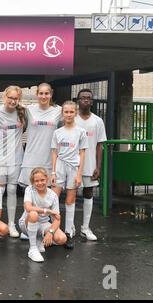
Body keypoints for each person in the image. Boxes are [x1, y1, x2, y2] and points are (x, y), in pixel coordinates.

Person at [51, 101, 88, 249]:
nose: (68, 114)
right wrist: (53, 172)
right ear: (62, 113)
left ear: (75, 113)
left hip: (74, 168)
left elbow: (82, 153)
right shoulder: (57, 132)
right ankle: (53, 230)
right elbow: (54, 153)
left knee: (70, 201)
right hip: (60, 166)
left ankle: (68, 233)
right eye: (66, 112)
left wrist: (79, 174)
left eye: (71, 112)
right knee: (53, 199)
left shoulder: (81, 132)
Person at [0, 85, 25, 238]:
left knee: (12, 191)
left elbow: (24, 129)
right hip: (0, 159)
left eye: (16, 98)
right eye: (10, 98)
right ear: (4, 97)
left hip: (16, 158)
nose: (13, 101)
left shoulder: (22, 112)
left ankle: (11, 224)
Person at [75, 89, 107, 241]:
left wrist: (98, 166)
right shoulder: (71, 118)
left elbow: (99, 145)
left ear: (92, 102)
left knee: (88, 194)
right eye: (83, 98)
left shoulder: (98, 121)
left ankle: (85, 228)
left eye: (88, 98)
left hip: (89, 164)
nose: (86, 100)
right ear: (78, 100)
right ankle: (70, 227)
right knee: (71, 194)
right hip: (72, 164)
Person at [18, 167, 67, 262]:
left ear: (47, 179)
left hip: (43, 224)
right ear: (32, 182)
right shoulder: (29, 189)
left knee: (62, 239)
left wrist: (50, 232)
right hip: (26, 222)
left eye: (42, 180)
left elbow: (57, 218)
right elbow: (28, 207)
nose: (40, 183)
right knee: (33, 214)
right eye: (36, 181)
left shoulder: (53, 195)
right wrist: (47, 211)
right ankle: (32, 249)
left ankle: (39, 239)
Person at [19, 83, 62, 188]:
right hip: (31, 157)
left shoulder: (59, 111)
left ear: (51, 94)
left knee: (46, 193)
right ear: (37, 94)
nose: (43, 96)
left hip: (49, 158)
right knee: (30, 192)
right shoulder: (28, 109)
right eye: (41, 93)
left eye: (46, 93)